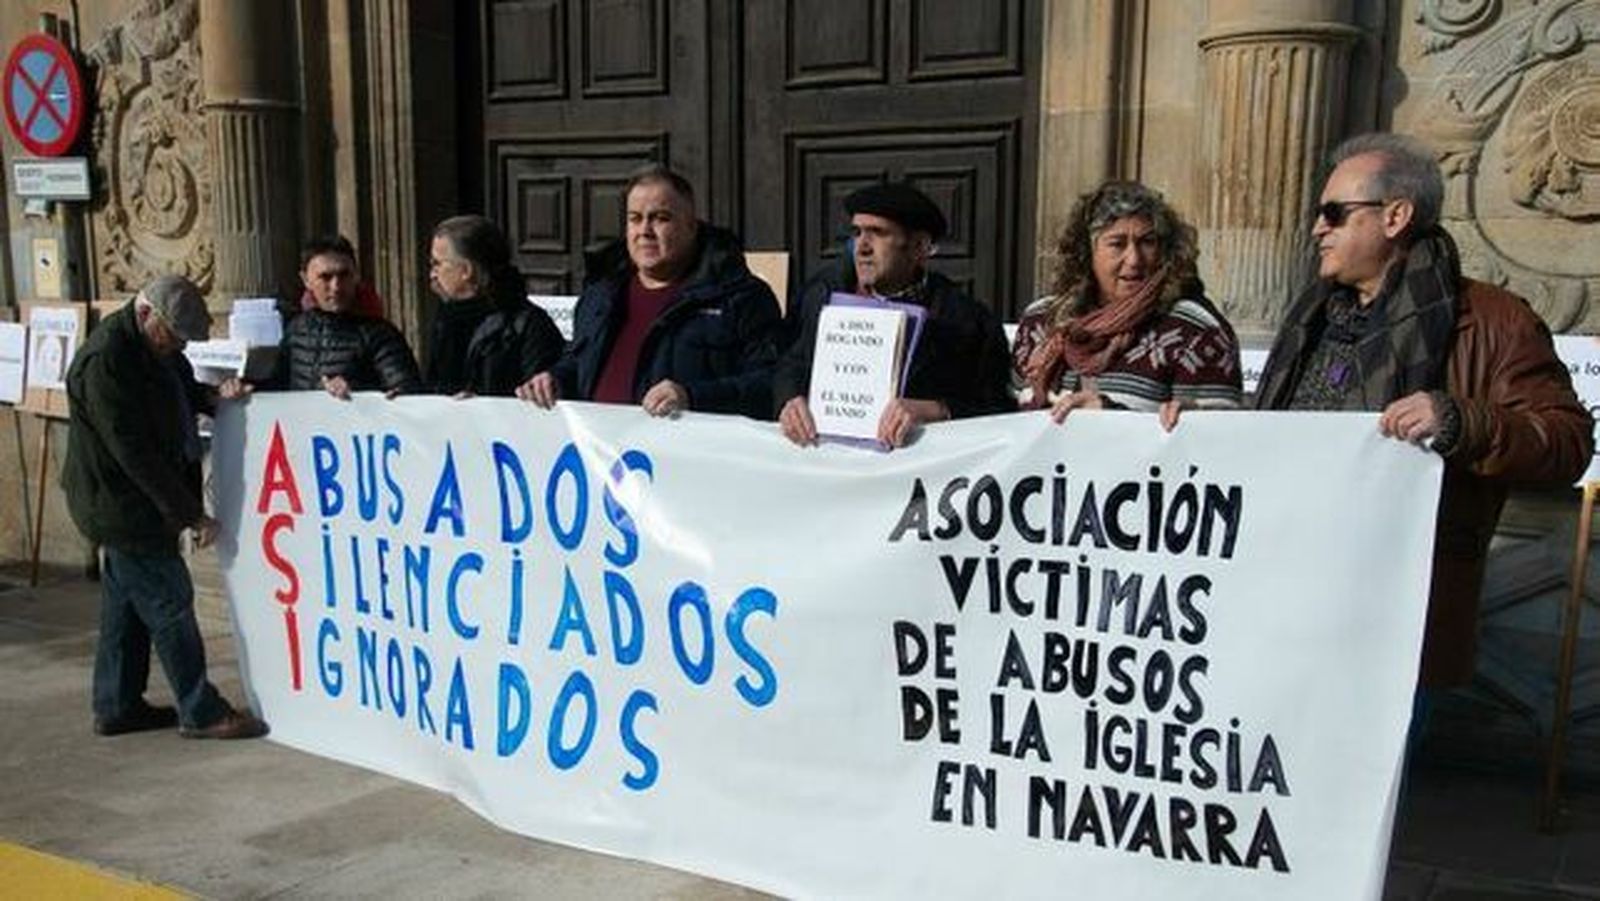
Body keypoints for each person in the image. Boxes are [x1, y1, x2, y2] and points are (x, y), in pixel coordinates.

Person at [1253, 132, 1592, 691]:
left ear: (1395, 216)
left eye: (1334, 213)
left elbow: (1567, 443)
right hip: (1287, 596)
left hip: (1399, 615)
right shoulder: (1310, 317)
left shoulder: (1493, 321)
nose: (1318, 228)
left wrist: (1461, 421)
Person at [62, 275, 268, 740]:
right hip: (122, 506)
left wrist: (216, 398)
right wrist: (190, 514)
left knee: (126, 610)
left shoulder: (154, 347)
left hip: (129, 502)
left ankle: (116, 705)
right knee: (171, 601)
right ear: (146, 314)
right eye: (173, 336)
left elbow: (182, 389)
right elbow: (134, 454)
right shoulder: (106, 362)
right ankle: (201, 710)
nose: (177, 346)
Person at [515, 164, 782, 418]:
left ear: (691, 227)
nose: (645, 231)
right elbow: (578, 364)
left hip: (687, 459)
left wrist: (692, 397)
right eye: (635, 219)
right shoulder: (599, 295)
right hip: (599, 460)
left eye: (661, 218)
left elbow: (771, 384)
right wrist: (555, 379)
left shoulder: (742, 297)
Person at [774, 181, 1015, 448]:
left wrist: (937, 410)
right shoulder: (820, 298)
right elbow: (790, 364)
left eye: (877, 232)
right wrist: (790, 398)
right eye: (856, 232)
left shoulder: (966, 322)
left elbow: (999, 413)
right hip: (831, 467)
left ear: (919, 247)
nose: (862, 247)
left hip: (918, 479)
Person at [1013, 180, 1242, 430]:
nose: (1134, 259)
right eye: (1117, 244)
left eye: (1147, 242)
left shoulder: (1194, 331)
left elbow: (1218, 436)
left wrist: (1111, 417)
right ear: (1087, 252)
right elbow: (1003, 421)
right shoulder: (1040, 322)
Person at [425, 215, 565, 396]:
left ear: (466, 270)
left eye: (437, 264)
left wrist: (483, 406)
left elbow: (540, 398)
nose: (432, 274)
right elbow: (433, 387)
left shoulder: (529, 325)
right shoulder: (446, 318)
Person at [269, 235, 422, 398]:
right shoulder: (295, 330)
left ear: (356, 275)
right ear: (306, 279)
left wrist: (356, 391)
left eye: (344, 275)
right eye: (325, 277)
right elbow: (274, 388)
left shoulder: (380, 335)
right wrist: (244, 385)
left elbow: (408, 394)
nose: (336, 287)